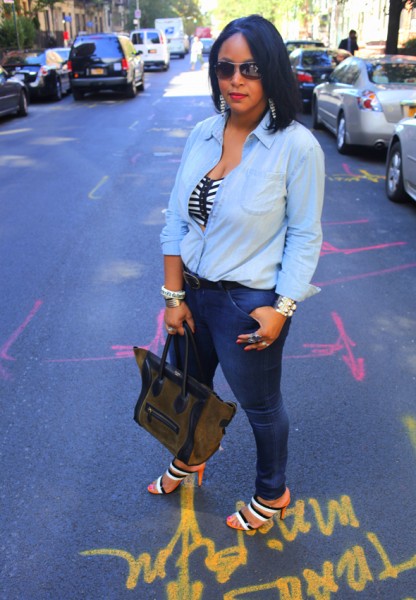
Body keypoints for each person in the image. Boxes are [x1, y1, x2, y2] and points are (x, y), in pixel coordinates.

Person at [149, 14, 325, 532]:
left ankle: (273, 494)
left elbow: (305, 235)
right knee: (189, 388)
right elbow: (175, 220)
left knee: (261, 406)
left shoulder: (296, 146)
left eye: (250, 68)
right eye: (226, 69)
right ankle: (190, 457)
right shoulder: (203, 134)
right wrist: (172, 295)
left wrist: (282, 307)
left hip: (249, 304)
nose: (237, 80)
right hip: (194, 297)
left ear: (271, 70)